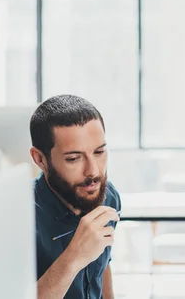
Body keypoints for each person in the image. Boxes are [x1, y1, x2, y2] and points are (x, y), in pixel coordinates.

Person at [29, 94, 121, 299]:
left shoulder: (108, 196)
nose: (94, 171)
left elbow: (104, 264)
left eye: (99, 152)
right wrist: (74, 257)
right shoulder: (19, 217)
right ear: (40, 159)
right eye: (74, 158)